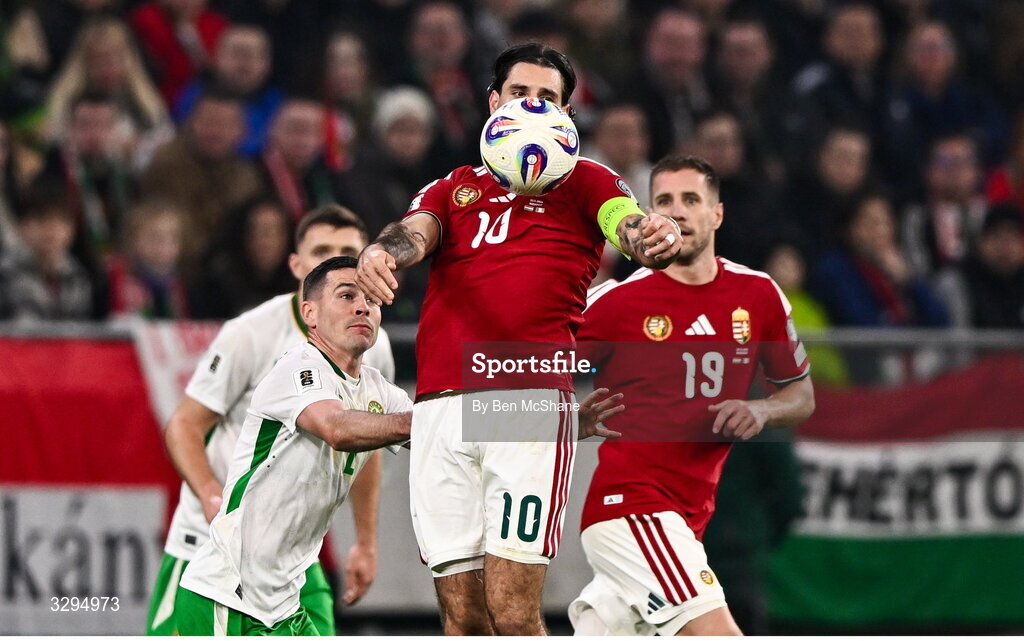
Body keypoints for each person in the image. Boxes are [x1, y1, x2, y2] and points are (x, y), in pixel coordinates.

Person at [355, 43, 684, 635]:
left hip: (524, 403)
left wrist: (649, 233)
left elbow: (625, 224)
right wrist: (382, 251)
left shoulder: (587, 182)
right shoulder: (452, 189)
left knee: (512, 611)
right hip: (440, 404)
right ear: (493, 102)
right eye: (519, 94)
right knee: (462, 619)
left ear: (567, 112)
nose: (533, 106)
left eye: (548, 98)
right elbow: (413, 232)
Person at [568, 154, 816, 636]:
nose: (677, 212)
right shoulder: (617, 303)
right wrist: (560, 419)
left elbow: (800, 394)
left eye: (690, 199)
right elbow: (527, 369)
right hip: (632, 507)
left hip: (687, 520)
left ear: (717, 214)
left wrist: (762, 409)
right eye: (663, 201)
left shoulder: (758, 294)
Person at [145, 205, 395, 635]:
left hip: (289, 556)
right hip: (219, 545)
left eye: (348, 253)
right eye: (321, 250)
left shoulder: (373, 347)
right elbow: (185, 425)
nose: (334, 261)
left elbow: (368, 438)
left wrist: (366, 541)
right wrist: (210, 496)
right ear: (297, 265)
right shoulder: (255, 335)